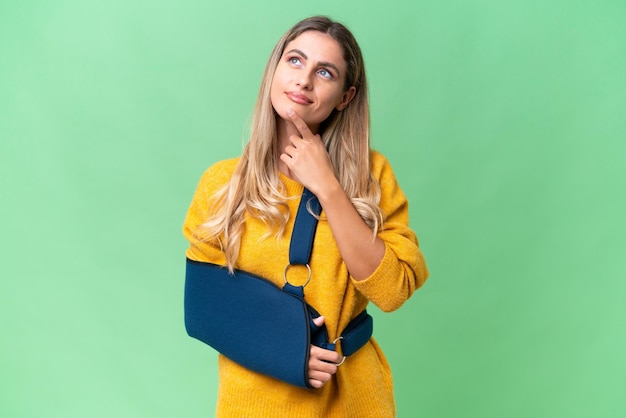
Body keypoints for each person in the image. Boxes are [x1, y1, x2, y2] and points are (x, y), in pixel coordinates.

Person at [183, 15, 429, 418]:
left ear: (345, 97)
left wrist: (328, 187)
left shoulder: (372, 176)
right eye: (295, 61)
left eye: (325, 72)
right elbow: (203, 307)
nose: (304, 80)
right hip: (254, 401)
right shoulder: (222, 184)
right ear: (274, 70)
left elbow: (392, 292)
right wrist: (284, 349)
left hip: (353, 398)